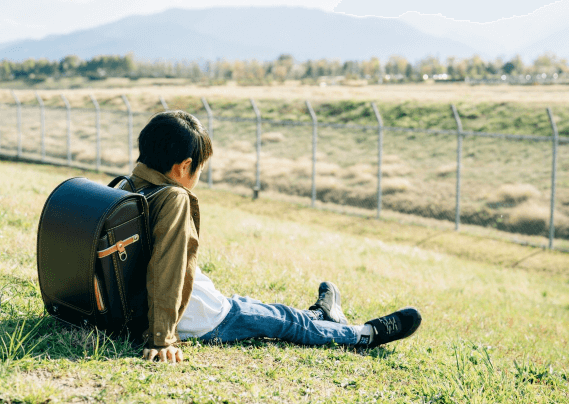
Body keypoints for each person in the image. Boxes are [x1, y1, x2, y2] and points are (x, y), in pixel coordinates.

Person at [127, 110, 422, 364]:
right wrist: (161, 338)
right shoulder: (175, 198)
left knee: (261, 309)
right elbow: (168, 266)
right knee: (287, 323)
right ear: (183, 167)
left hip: (190, 304)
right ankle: (365, 334)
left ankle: (323, 315)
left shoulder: (125, 189)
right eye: (199, 169)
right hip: (203, 318)